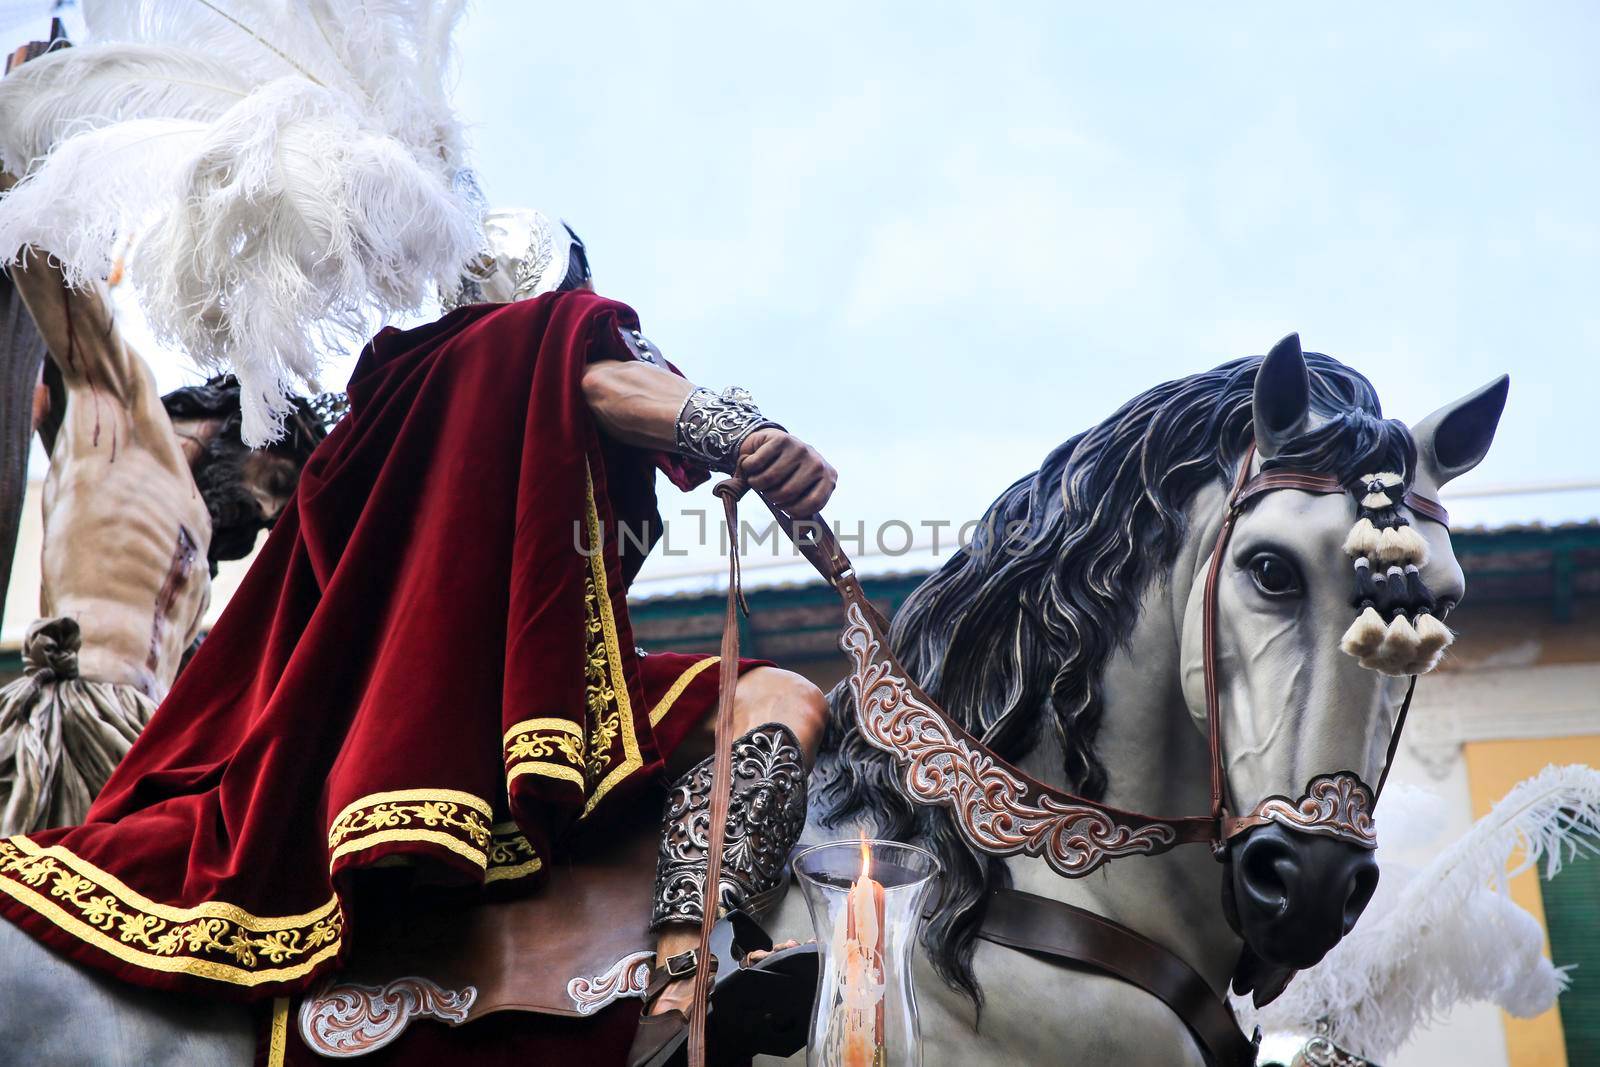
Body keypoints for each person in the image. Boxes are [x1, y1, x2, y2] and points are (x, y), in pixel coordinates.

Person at [0, 207, 836, 1066]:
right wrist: (741, 431)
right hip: (510, 708)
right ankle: (684, 980)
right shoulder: (541, 338)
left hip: (358, 734)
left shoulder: (382, 412)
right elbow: (600, 379)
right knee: (773, 697)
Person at [0, 168, 330, 837]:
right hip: (70, 722)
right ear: (237, 424)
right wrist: (29, 161)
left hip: (147, 759)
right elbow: (59, 281)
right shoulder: (123, 411)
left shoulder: (201, 566)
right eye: (275, 482)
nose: (268, 515)